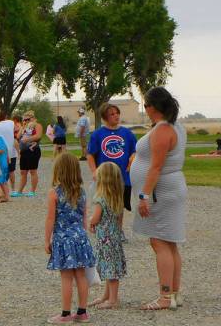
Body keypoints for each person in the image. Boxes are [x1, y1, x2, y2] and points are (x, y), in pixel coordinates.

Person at [131, 87, 187, 311]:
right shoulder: (175, 126)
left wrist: (144, 195)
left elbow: (156, 166)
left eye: (146, 105)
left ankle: (165, 296)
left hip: (162, 190)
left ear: (154, 107)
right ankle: (174, 293)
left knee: (159, 241)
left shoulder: (163, 129)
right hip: (169, 188)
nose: (145, 109)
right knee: (169, 242)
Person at [45, 153, 96, 324]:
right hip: (80, 237)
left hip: (63, 238)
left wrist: (47, 240)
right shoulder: (81, 192)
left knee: (66, 277)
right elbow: (84, 217)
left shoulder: (54, 193)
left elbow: (51, 218)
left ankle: (65, 314)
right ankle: (82, 312)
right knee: (81, 275)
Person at [87, 103, 137, 232]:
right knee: (103, 202)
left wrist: (133, 157)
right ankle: (102, 228)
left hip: (122, 176)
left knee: (119, 204)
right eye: (112, 114)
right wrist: (94, 171)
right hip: (105, 176)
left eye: (117, 113)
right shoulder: (98, 134)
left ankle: (118, 230)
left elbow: (135, 150)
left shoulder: (127, 133)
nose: (116, 116)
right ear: (105, 117)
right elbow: (90, 155)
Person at [89, 162, 127, 310]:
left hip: (105, 239)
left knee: (110, 271)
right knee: (110, 268)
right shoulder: (117, 197)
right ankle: (106, 295)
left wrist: (91, 222)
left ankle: (113, 299)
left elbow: (96, 217)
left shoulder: (101, 198)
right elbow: (119, 219)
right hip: (114, 238)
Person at [14, 110, 42, 197]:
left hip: (33, 150)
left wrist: (28, 139)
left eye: (27, 119)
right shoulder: (24, 127)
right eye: (24, 120)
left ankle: (32, 191)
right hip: (24, 151)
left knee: (33, 171)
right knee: (23, 171)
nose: (26, 121)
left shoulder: (37, 125)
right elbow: (18, 137)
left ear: (32, 118)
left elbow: (38, 136)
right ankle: (20, 191)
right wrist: (22, 127)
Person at [0, 112, 18, 190]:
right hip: (11, 151)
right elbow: (16, 130)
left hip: (1, 151)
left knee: (2, 170)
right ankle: (13, 189)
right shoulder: (11, 123)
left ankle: (4, 189)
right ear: (6, 116)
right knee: (11, 171)